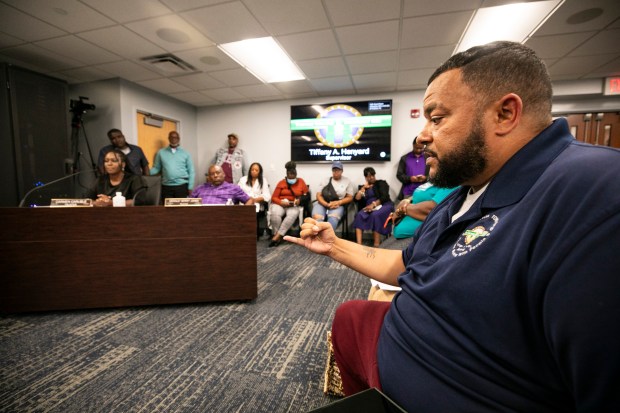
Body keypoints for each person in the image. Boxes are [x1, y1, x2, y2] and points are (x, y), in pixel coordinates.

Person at [285, 41, 620, 412]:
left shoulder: (596, 192)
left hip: (463, 384)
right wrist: (335, 245)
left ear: (505, 113)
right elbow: (405, 266)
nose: (422, 136)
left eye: (437, 118)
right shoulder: (464, 192)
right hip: (406, 342)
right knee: (352, 316)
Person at [392, 178, 458, 239]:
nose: (426, 164)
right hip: (403, 236)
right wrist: (406, 201)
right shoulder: (436, 179)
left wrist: (403, 209)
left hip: (420, 238)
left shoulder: (451, 183)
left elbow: (433, 210)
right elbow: (418, 196)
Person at [269, 161, 309, 247]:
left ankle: (277, 236)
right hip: (281, 204)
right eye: (289, 176)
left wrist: (299, 200)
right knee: (275, 214)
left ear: (296, 174)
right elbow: (274, 197)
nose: (291, 178)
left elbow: (307, 196)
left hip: (293, 205)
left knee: (292, 214)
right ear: (286, 175)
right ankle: (277, 234)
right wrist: (281, 202)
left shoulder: (301, 181)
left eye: (293, 175)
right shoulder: (281, 183)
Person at [352, 167, 393, 247]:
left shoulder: (381, 183)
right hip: (369, 207)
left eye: (372, 175)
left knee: (375, 215)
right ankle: (358, 245)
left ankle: (376, 245)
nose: (371, 178)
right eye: (369, 176)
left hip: (384, 205)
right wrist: (363, 189)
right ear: (365, 177)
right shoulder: (363, 187)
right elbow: (356, 199)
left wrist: (373, 205)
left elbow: (385, 197)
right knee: (359, 215)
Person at [150, 131, 195, 202]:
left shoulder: (186, 153)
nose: (174, 139)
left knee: (182, 208)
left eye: (176, 137)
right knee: (168, 209)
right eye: (171, 137)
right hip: (166, 186)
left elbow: (191, 171)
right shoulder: (161, 153)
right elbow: (156, 168)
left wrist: (190, 187)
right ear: (168, 138)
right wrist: (145, 172)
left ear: (178, 139)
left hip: (182, 186)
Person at [311, 161, 355, 231]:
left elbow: (350, 197)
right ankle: (318, 238)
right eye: (334, 170)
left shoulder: (347, 181)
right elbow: (318, 195)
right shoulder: (325, 180)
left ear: (342, 171)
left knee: (333, 219)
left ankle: (327, 238)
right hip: (323, 203)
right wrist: (326, 204)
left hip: (337, 204)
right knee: (317, 218)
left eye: (338, 170)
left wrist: (339, 202)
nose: (336, 172)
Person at [238, 162, 271, 238]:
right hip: (244, 202)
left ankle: (252, 235)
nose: (254, 171)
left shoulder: (263, 180)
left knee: (252, 213)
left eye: (256, 170)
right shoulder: (243, 179)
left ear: (260, 172)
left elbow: (267, 195)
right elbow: (238, 192)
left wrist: (254, 200)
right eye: (252, 169)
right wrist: (246, 200)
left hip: (256, 203)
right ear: (249, 170)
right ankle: (242, 234)